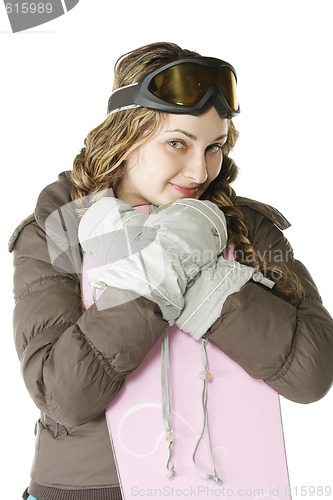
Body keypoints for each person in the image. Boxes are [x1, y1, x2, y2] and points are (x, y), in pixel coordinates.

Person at [9, 41, 333, 500]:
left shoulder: (246, 227)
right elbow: (65, 396)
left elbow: (310, 373)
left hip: (231, 485)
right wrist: (161, 267)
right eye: (177, 143)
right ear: (124, 136)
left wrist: (204, 275)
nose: (200, 170)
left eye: (214, 147)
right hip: (90, 490)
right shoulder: (56, 230)